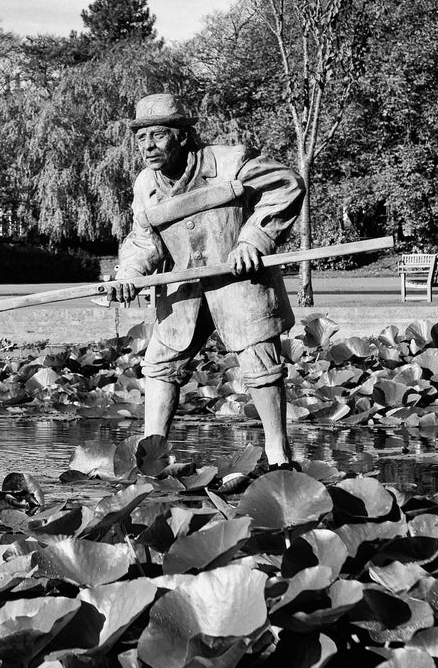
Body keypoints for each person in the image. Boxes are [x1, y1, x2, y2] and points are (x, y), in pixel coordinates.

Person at [107, 92, 305, 468]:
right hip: (184, 293)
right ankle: (153, 456)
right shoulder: (145, 185)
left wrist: (253, 239)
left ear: (182, 136)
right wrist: (129, 273)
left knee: (261, 364)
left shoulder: (231, 161)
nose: (148, 146)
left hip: (240, 283)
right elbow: (142, 240)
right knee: (160, 364)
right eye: (141, 138)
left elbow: (287, 184)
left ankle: (279, 456)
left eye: (158, 135)